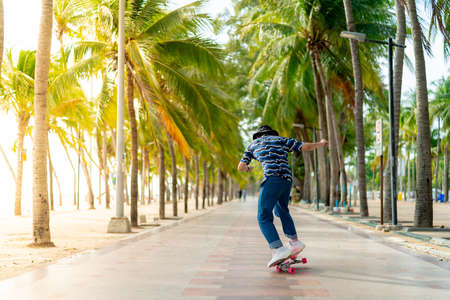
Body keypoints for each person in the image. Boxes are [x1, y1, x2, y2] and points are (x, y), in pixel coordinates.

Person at [237, 125, 328, 267]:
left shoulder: (253, 145)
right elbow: (304, 146)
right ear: (271, 133)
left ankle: (278, 249)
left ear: (258, 135)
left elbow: (241, 167)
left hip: (271, 179)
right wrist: (320, 144)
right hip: (286, 180)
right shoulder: (281, 140)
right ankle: (294, 242)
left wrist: (249, 168)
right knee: (281, 210)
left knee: (263, 216)